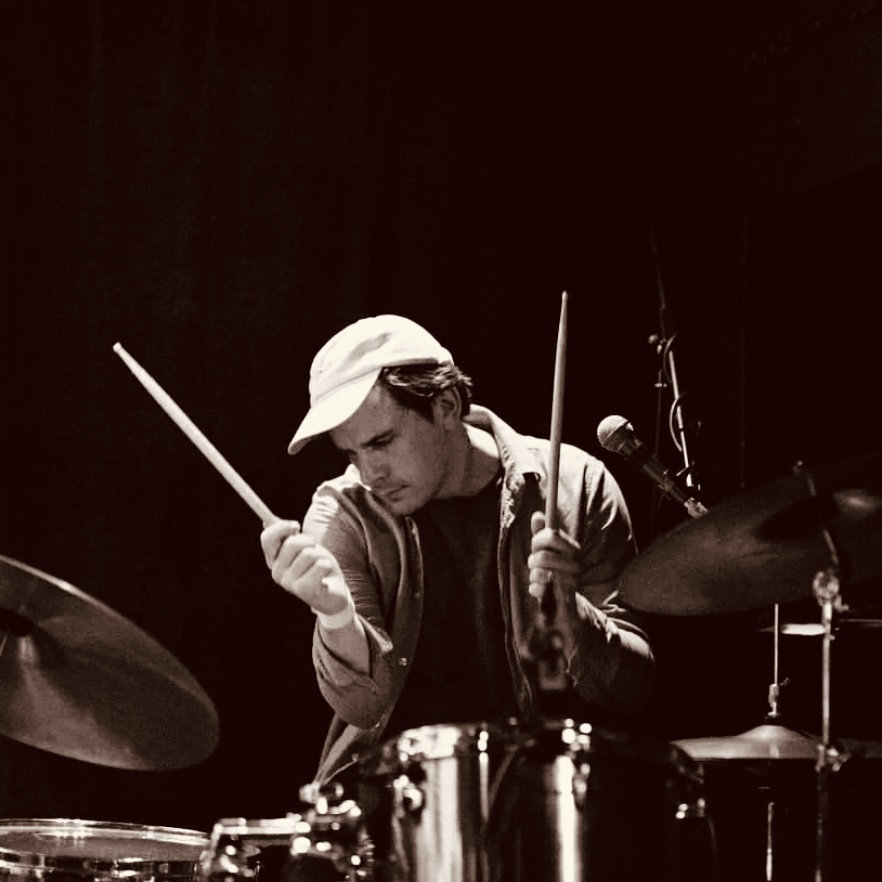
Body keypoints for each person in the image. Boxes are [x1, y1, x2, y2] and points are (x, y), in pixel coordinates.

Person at [260, 314, 655, 786]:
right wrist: (335, 615)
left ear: (446, 406)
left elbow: (634, 692)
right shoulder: (341, 514)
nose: (369, 473)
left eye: (381, 442)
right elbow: (362, 707)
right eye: (351, 453)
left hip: (552, 790)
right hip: (396, 799)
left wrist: (572, 616)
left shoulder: (576, 483)